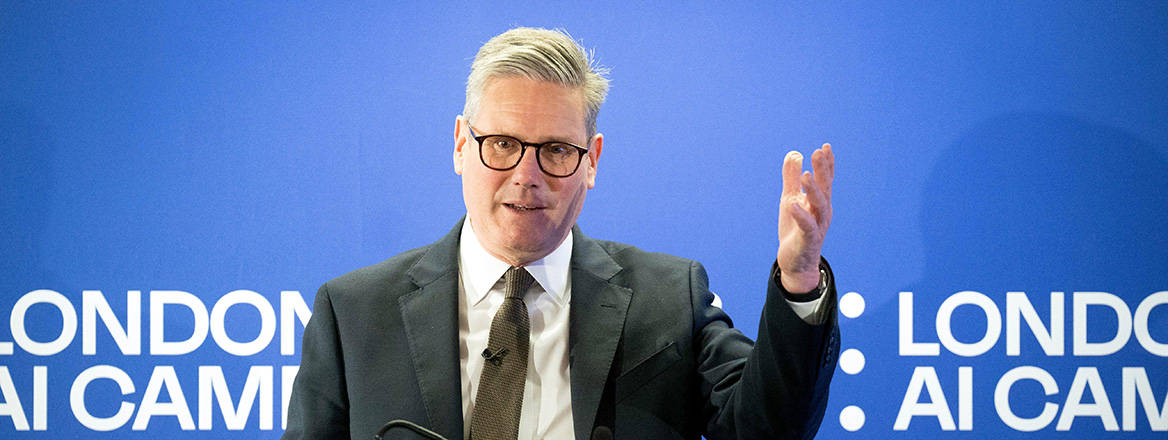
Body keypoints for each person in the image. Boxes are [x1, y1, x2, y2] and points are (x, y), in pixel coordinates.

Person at [284, 27, 839, 440]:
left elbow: (767, 429)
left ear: (592, 161)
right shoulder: (354, 313)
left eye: (555, 150)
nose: (526, 176)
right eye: (502, 144)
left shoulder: (670, 298)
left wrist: (797, 281)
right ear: (460, 144)